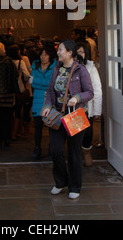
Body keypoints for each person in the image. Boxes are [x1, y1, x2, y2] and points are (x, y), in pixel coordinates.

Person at [42, 40, 93, 199]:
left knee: (74, 153)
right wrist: (47, 106)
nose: (57, 53)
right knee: (56, 151)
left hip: (76, 115)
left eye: (60, 50)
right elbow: (50, 91)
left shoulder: (81, 70)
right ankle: (60, 182)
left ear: (70, 53)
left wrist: (77, 97)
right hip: (57, 115)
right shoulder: (56, 68)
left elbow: (90, 92)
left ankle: (75, 186)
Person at [76, 42, 103, 167]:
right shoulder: (67, 67)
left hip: (88, 108)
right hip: (74, 107)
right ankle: (76, 156)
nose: (79, 54)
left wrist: (97, 111)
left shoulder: (91, 68)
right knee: (76, 133)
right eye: (77, 52)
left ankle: (86, 152)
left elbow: (97, 90)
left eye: (82, 52)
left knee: (87, 133)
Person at [30, 42, 56, 160]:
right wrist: (39, 83)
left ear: (50, 55)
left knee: (52, 124)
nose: (43, 57)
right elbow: (32, 83)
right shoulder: (35, 65)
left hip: (51, 100)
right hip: (37, 100)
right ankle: (37, 148)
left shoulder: (55, 66)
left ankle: (52, 147)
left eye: (45, 55)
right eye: (41, 54)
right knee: (38, 126)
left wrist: (36, 81)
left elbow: (52, 84)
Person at [7, 44, 31, 140]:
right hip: (19, 89)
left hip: (8, 90)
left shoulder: (7, 62)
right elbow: (27, 75)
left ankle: (9, 132)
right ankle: (15, 133)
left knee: (10, 112)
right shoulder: (20, 62)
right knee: (18, 111)